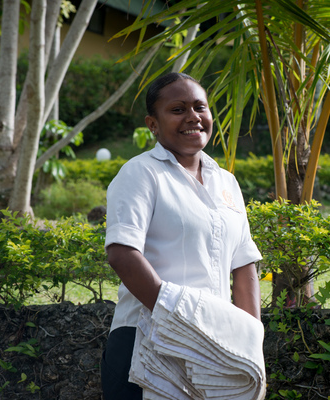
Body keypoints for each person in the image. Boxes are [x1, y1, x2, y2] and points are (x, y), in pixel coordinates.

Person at [100, 72, 263, 400]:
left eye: (200, 107)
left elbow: (245, 266)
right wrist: (179, 321)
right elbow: (121, 252)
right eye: (177, 110)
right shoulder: (141, 173)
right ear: (153, 123)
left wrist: (249, 342)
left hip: (215, 346)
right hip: (146, 341)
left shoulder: (227, 182)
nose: (193, 117)